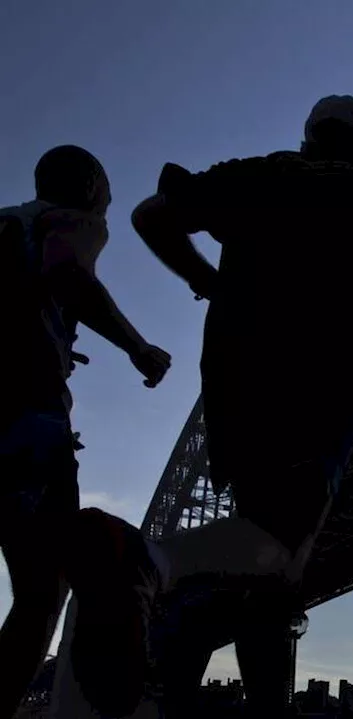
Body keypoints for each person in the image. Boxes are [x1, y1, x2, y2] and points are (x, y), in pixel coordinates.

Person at [65, 94, 353, 718]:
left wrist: (209, 281)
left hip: (237, 377)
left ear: (309, 141)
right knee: (282, 549)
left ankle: (191, 655)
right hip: (325, 377)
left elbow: (151, 218)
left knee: (266, 560)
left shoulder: (259, 173)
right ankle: (150, 565)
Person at [0, 145, 171, 719]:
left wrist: (52, 336)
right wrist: (136, 346)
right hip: (27, 424)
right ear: (93, 186)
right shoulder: (70, 219)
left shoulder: (7, 221)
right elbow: (66, 272)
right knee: (42, 593)